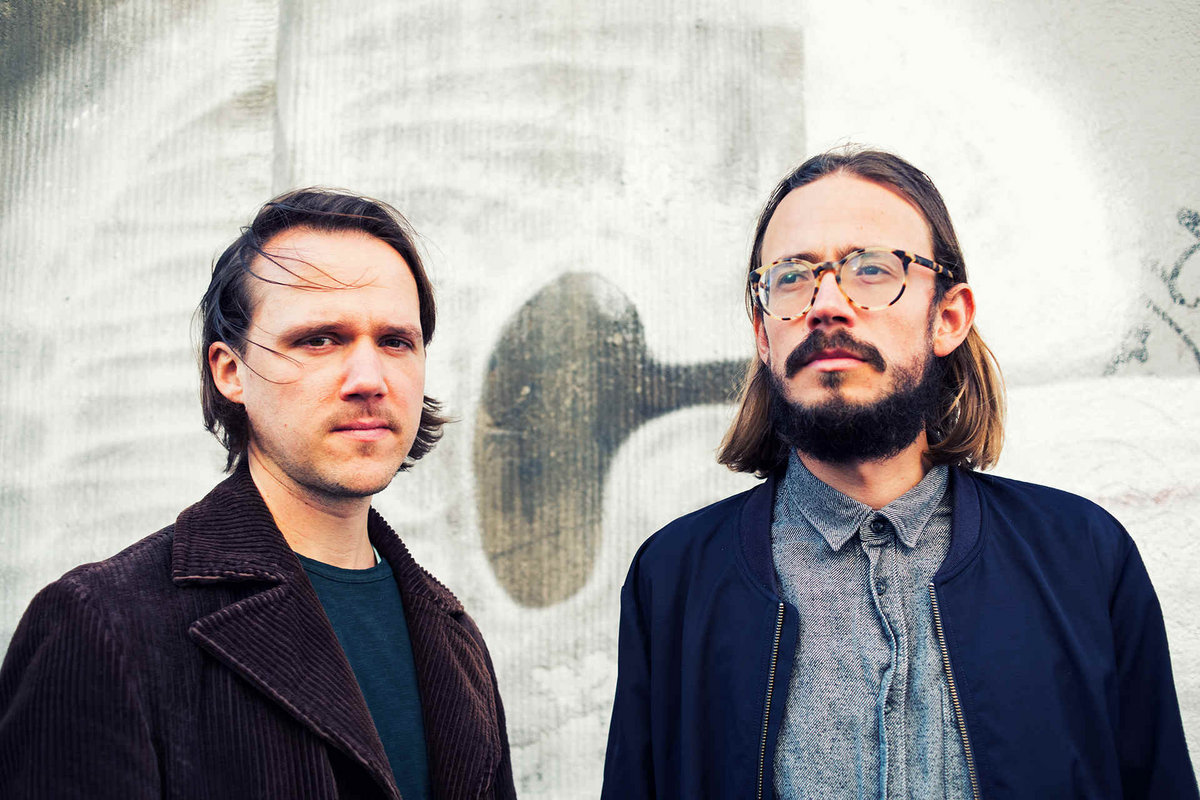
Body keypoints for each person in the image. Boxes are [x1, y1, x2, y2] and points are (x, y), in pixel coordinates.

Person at [601, 148, 1197, 799]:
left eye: (872, 269)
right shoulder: (673, 579)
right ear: (764, 335)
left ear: (948, 318)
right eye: (792, 277)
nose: (826, 304)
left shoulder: (1084, 556)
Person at [0, 189, 516, 799]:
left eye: (396, 341)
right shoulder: (101, 623)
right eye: (319, 340)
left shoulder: (455, 638)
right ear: (230, 372)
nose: (370, 379)